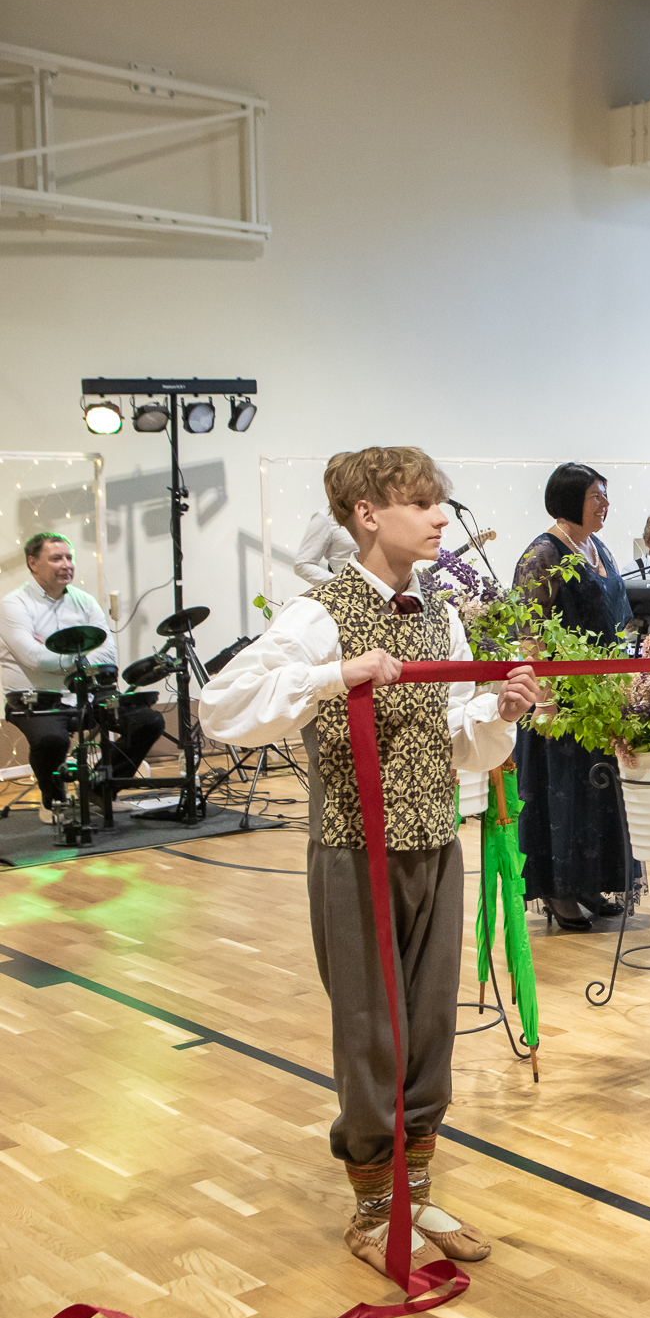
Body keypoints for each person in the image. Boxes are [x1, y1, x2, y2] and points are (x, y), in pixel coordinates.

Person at [198, 446, 541, 1273]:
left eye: (438, 502)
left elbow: (454, 736)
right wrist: (332, 674)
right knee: (369, 1030)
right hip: (357, 852)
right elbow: (220, 705)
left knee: (430, 1028)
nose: (438, 517)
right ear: (367, 514)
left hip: (435, 844)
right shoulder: (320, 613)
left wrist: (501, 709)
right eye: (420, 503)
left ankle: (415, 1193)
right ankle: (373, 1208)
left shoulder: (440, 614)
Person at [512, 464, 634, 928]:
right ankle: (558, 892)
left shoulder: (599, 547)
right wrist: (544, 703)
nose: (605, 505)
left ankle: (589, 884)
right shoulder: (541, 554)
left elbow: (616, 617)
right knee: (562, 798)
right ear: (569, 501)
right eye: (596, 497)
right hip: (559, 702)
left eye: (605, 496)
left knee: (596, 796)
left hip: (601, 697)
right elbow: (530, 634)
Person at [2, 531, 164, 817]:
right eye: (56, 558)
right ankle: (54, 800)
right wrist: (81, 656)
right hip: (35, 700)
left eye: (69, 557)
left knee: (148, 721)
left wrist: (55, 650)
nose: (67, 564)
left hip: (88, 695)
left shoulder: (85, 601)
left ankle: (100, 790)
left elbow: (108, 654)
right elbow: (32, 657)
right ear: (32, 563)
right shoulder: (13, 604)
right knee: (52, 740)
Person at [293, 451, 359, 585]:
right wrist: (340, 584)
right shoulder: (326, 517)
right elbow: (302, 564)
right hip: (349, 594)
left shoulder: (373, 513)